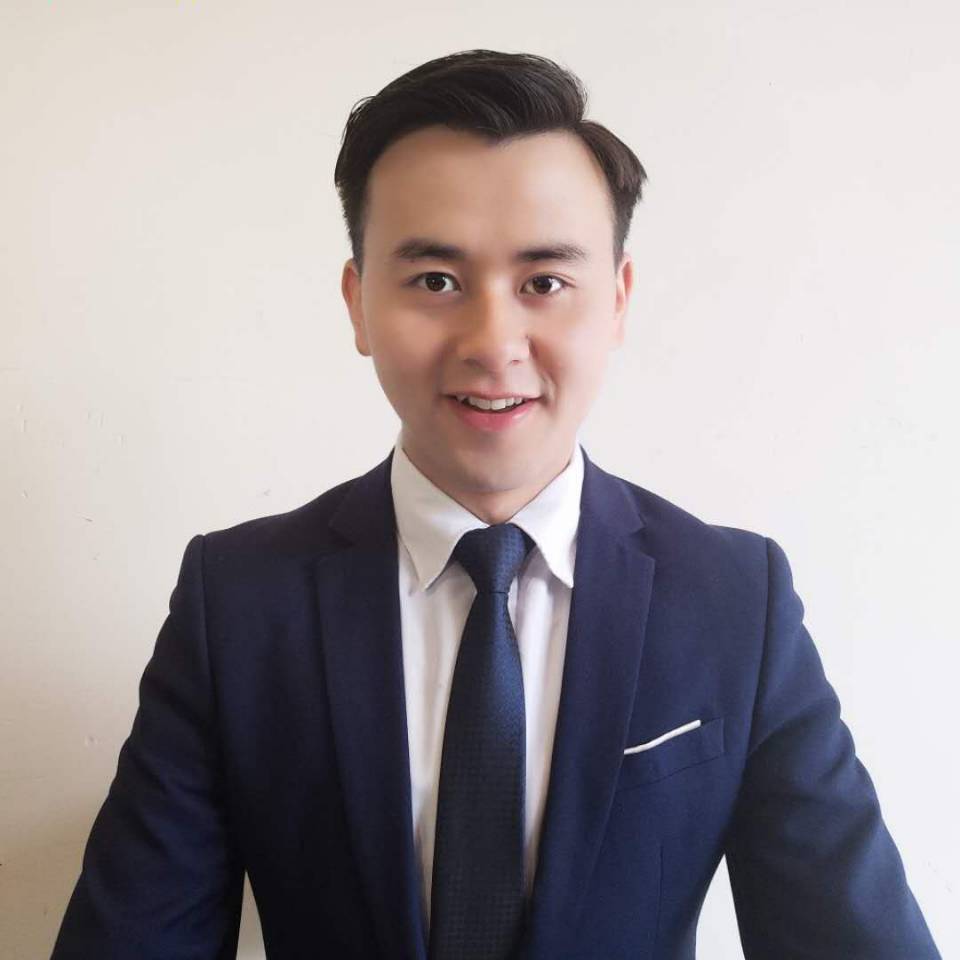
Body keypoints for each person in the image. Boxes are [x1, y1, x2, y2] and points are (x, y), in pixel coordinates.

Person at [51, 49, 941, 959]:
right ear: (358, 303)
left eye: (544, 283)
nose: (492, 341)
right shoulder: (238, 600)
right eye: (435, 280)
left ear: (617, 301)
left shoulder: (735, 599)